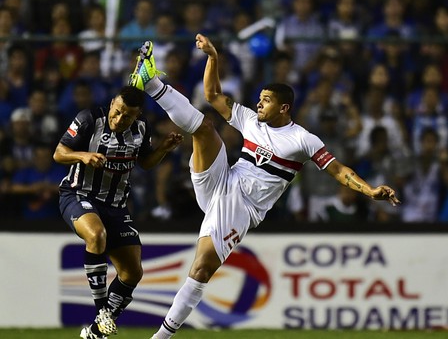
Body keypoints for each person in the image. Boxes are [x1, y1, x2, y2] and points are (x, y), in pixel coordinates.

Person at [126, 37, 400, 338]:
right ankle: (149, 82)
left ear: (284, 108)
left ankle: (161, 337)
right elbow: (212, 93)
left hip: (242, 206)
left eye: (266, 99)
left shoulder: (302, 140)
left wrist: (370, 190)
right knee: (204, 128)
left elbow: (339, 170)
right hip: (222, 179)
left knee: (201, 269)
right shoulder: (250, 120)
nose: (258, 103)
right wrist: (213, 56)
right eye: (259, 97)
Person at [53, 84, 183, 339]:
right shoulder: (89, 119)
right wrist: (83, 156)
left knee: (132, 272)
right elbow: (59, 153)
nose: (120, 119)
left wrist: (163, 149)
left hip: (116, 205)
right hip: (79, 194)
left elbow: (145, 163)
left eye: (128, 115)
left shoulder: (141, 129)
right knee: (96, 236)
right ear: (112, 103)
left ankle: (95, 332)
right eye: (118, 111)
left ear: (137, 116)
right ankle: (102, 312)